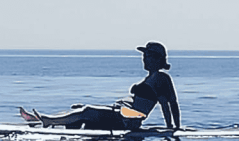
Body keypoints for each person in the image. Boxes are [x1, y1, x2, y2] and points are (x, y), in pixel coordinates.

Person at [21, 42, 181, 131]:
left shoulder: (161, 78)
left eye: (147, 56)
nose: (144, 60)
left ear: (157, 59)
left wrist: (172, 129)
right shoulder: (151, 77)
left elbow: (169, 104)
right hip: (120, 112)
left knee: (87, 111)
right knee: (80, 108)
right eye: (144, 56)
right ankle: (48, 121)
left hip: (126, 120)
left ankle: (49, 121)